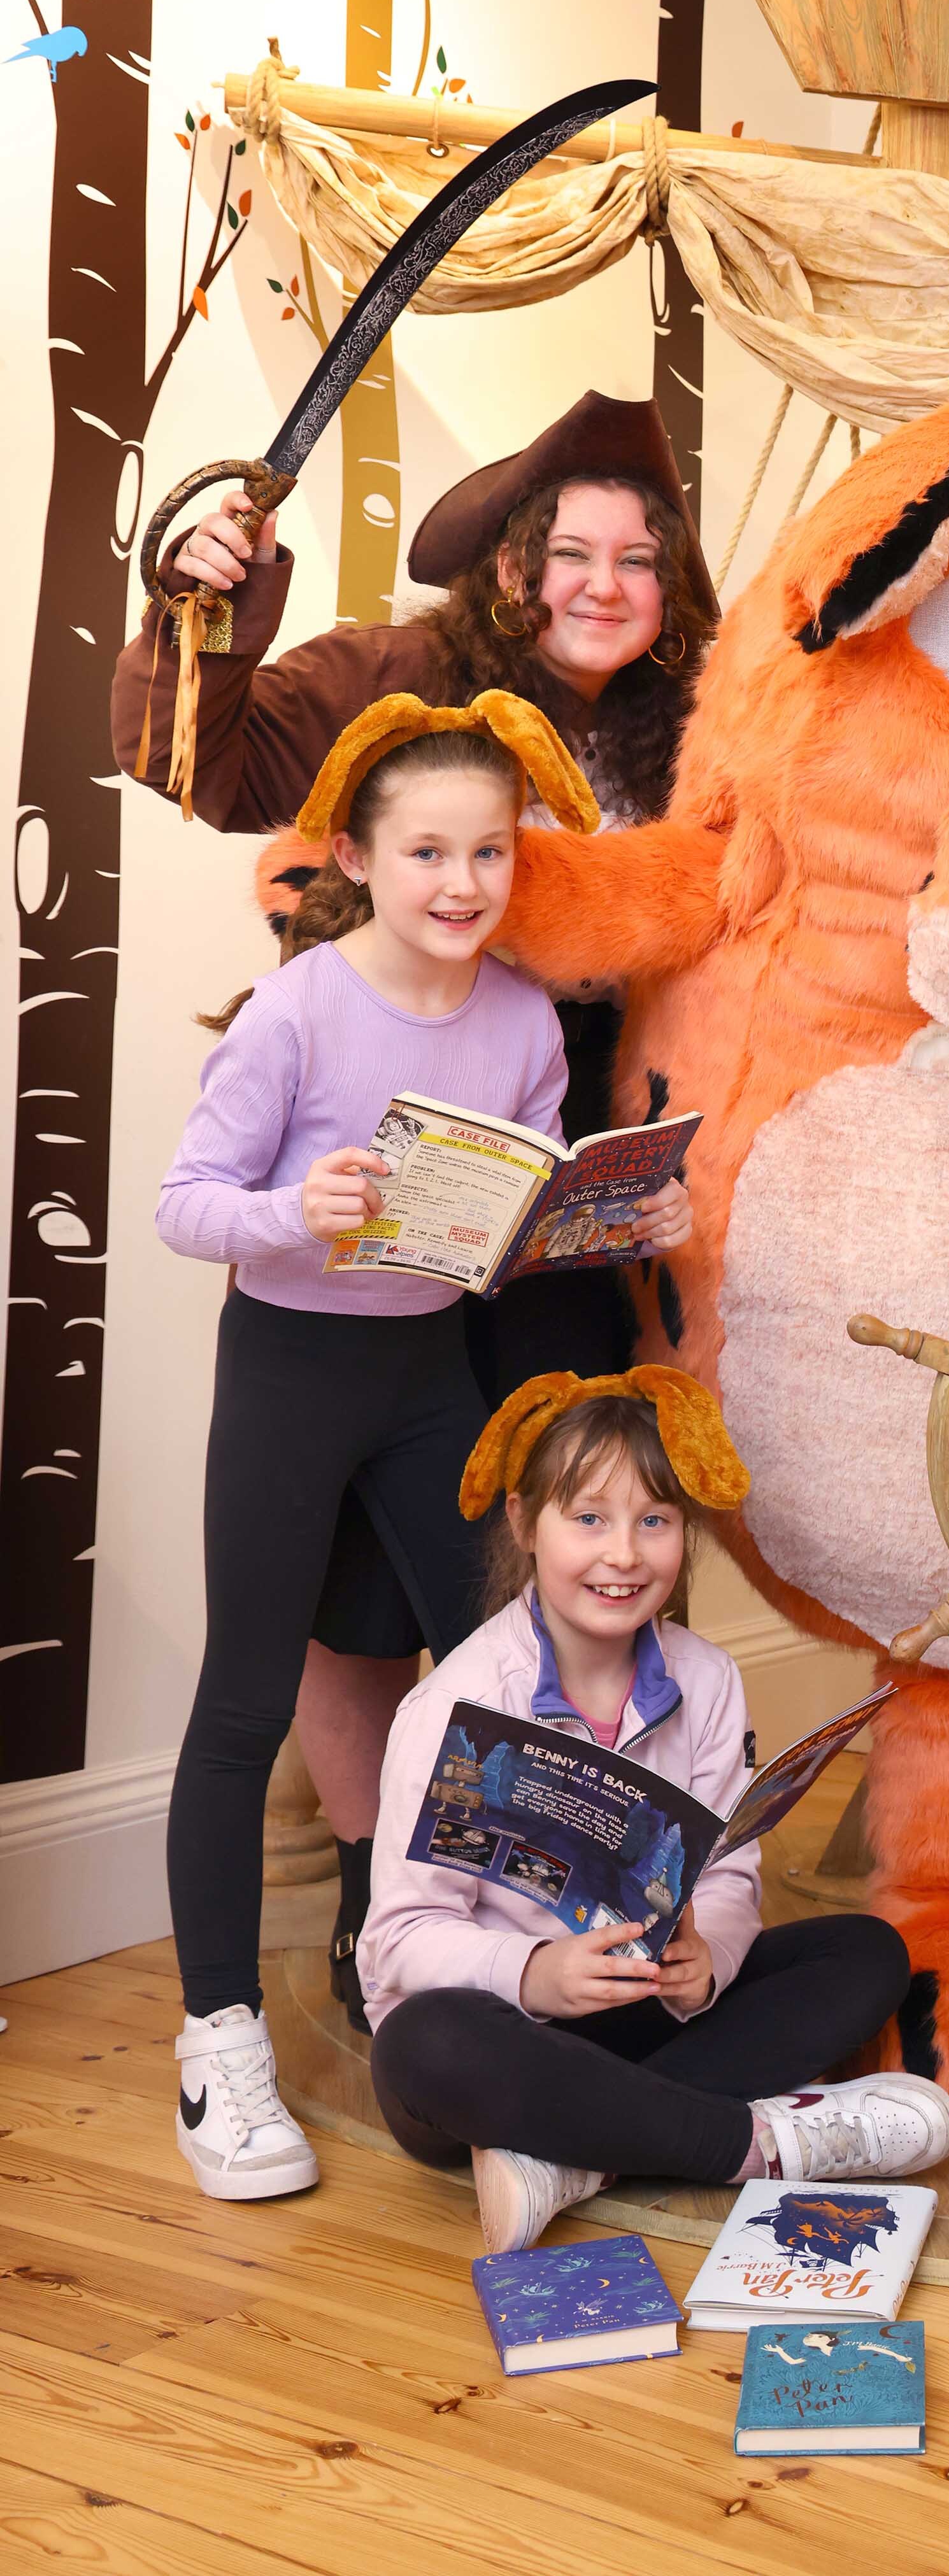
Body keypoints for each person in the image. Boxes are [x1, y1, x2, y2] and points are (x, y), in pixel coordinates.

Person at [115, 393, 719, 2013]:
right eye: (572, 551)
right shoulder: (402, 684)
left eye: (638, 559)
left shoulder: (698, 725)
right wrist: (204, 603)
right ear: (516, 568)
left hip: (575, 1159)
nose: (604, 583)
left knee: (572, 1538)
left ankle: (548, 1896)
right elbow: (206, 752)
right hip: (393, 1155)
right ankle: (390, 1896)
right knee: (361, 1591)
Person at [157, 695, 694, 2200]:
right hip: (289, 1366)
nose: (463, 885)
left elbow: (495, 1241)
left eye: (491, 855)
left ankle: (509, 1998)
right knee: (246, 1695)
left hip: (426, 1373)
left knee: (516, 1691)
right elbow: (187, 1200)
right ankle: (220, 2039)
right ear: (357, 855)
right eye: (428, 853)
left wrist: (618, 1218)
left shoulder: (523, 1019)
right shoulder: (299, 1009)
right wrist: (286, 1214)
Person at [361, 1366, 949, 2256]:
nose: (624, 1554)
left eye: (655, 1521)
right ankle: (754, 2145)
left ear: (686, 1534)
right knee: (423, 2043)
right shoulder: (456, 1709)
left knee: (864, 1952)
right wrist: (535, 1973)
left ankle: (577, 2159)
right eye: (588, 1518)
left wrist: (705, 1963)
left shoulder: (707, 1680)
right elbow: (399, 1941)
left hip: (642, 2018)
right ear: (524, 1523)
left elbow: (729, 1874)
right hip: (505, 2035)